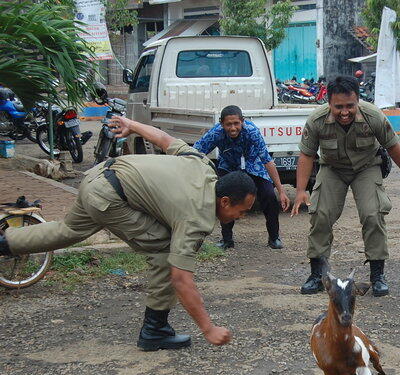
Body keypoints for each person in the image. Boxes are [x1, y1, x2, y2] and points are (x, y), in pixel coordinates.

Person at [0, 117, 257, 350]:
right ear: (224, 201)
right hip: (110, 196)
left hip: (98, 176)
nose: (241, 217)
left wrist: (132, 125)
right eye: (242, 211)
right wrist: (208, 328)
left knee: (67, 230)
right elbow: (181, 278)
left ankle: (4, 242)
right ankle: (154, 330)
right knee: (165, 251)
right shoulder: (196, 218)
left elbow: (164, 139)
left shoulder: (202, 165)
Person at [291, 76, 400, 297]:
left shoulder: (373, 116)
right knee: (320, 213)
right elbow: (307, 155)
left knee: (372, 213)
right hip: (332, 169)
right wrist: (301, 190)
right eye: (338, 106)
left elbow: (393, 146)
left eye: (350, 106)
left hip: (366, 167)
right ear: (328, 103)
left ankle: (377, 275)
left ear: (358, 101)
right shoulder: (317, 120)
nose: (344, 112)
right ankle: (317, 275)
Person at [194, 105, 290, 250]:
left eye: (236, 123)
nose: (233, 128)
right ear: (221, 124)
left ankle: (274, 237)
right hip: (229, 166)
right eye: (228, 124)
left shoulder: (251, 131)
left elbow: (267, 160)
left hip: (253, 165)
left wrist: (281, 190)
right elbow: (196, 151)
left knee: (269, 195)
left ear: (242, 122)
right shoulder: (216, 133)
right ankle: (227, 239)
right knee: (223, 198)